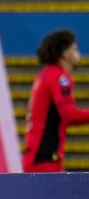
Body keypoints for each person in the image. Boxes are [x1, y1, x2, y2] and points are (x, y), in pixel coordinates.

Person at [22, 29, 89, 171]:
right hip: (44, 157)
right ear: (65, 54)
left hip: (37, 155)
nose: (78, 53)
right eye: (74, 49)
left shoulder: (46, 75)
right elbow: (69, 114)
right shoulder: (58, 78)